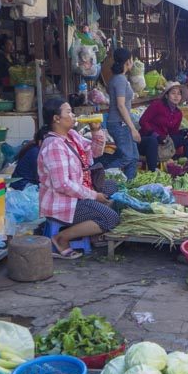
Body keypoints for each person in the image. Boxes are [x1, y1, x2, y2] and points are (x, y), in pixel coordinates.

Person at [37, 97, 120, 258]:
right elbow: (63, 185)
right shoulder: (54, 145)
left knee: (111, 186)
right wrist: (94, 196)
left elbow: (95, 153)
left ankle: (92, 227)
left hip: (79, 191)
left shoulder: (72, 135)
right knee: (111, 218)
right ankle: (61, 238)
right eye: (68, 112)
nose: (73, 115)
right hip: (63, 202)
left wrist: (96, 131)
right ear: (56, 119)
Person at [138, 82, 188, 171]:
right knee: (153, 141)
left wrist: (182, 132)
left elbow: (173, 132)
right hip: (148, 139)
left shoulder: (178, 113)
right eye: (173, 93)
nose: (176, 96)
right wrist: (156, 135)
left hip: (164, 141)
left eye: (179, 94)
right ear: (167, 96)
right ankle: (153, 171)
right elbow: (143, 121)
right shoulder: (157, 105)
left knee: (186, 137)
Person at [106, 48, 140, 180]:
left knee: (134, 157)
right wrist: (132, 128)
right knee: (127, 157)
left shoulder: (119, 78)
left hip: (123, 123)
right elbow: (120, 105)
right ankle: (102, 173)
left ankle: (129, 185)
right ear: (128, 61)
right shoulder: (119, 79)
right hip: (119, 124)